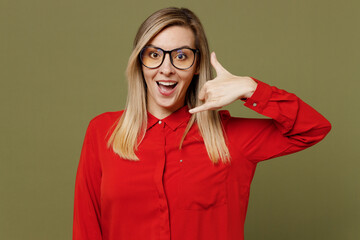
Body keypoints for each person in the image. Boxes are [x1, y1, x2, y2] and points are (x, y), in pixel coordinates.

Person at [73, 7, 331, 240]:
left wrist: (251, 89)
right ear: (140, 62)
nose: (166, 69)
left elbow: (313, 128)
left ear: (197, 65)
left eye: (181, 56)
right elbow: (86, 227)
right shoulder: (102, 131)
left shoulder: (230, 137)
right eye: (154, 54)